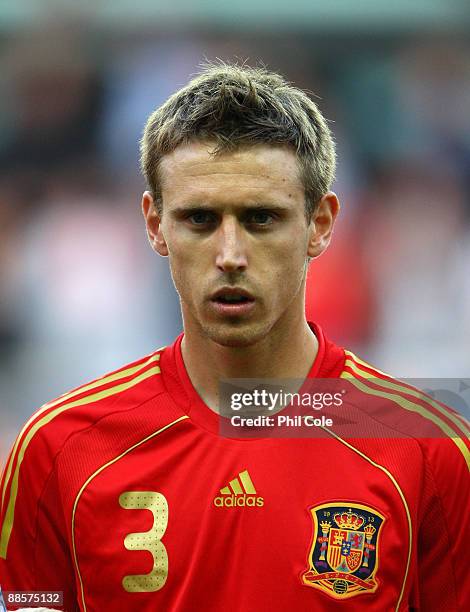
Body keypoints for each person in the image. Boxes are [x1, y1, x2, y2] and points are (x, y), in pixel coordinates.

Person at [0, 63, 468, 612]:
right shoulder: (60, 448)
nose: (230, 256)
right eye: (199, 219)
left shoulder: (428, 447)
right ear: (155, 225)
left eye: (261, 218)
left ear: (320, 223)